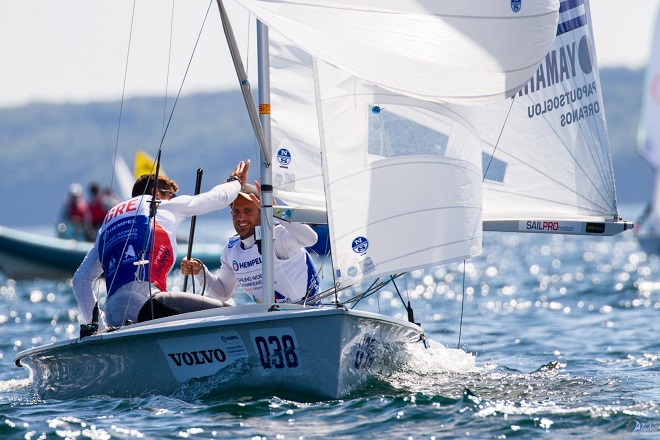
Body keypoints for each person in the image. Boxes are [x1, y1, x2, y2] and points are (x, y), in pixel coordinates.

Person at [72, 159, 251, 328]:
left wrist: (100, 327)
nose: (174, 200)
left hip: (113, 314)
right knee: (233, 315)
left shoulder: (108, 223)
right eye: (171, 196)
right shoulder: (157, 204)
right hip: (148, 304)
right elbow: (216, 198)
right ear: (156, 194)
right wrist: (235, 182)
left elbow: (80, 280)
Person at [181, 181, 320, 305]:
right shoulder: (231, 250)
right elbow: (223, 293)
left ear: (261, 212)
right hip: (271, 317)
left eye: (248, 210)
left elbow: (310, 239)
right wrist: (200, 271)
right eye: (236, 211)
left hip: (307, 312)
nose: (241, 217)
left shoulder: (279, 236)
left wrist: (275, 211)